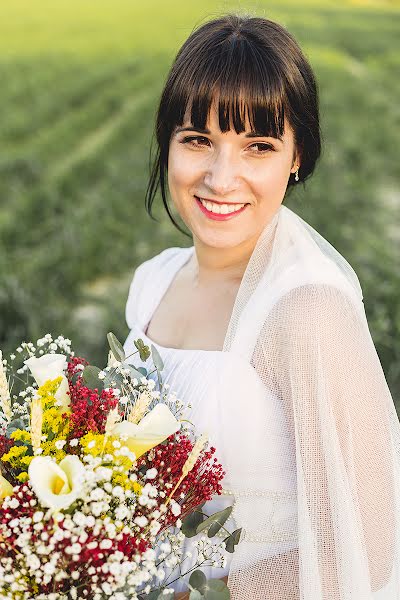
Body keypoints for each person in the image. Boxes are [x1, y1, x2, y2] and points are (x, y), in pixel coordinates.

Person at [124, 14, 400, 599]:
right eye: (197, 140)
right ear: (167, 144)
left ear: (296, 157)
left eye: (258, 147)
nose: (222, 178)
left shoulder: (305, 315)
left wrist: (199, 596)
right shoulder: (151, 285)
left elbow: (368, 548)